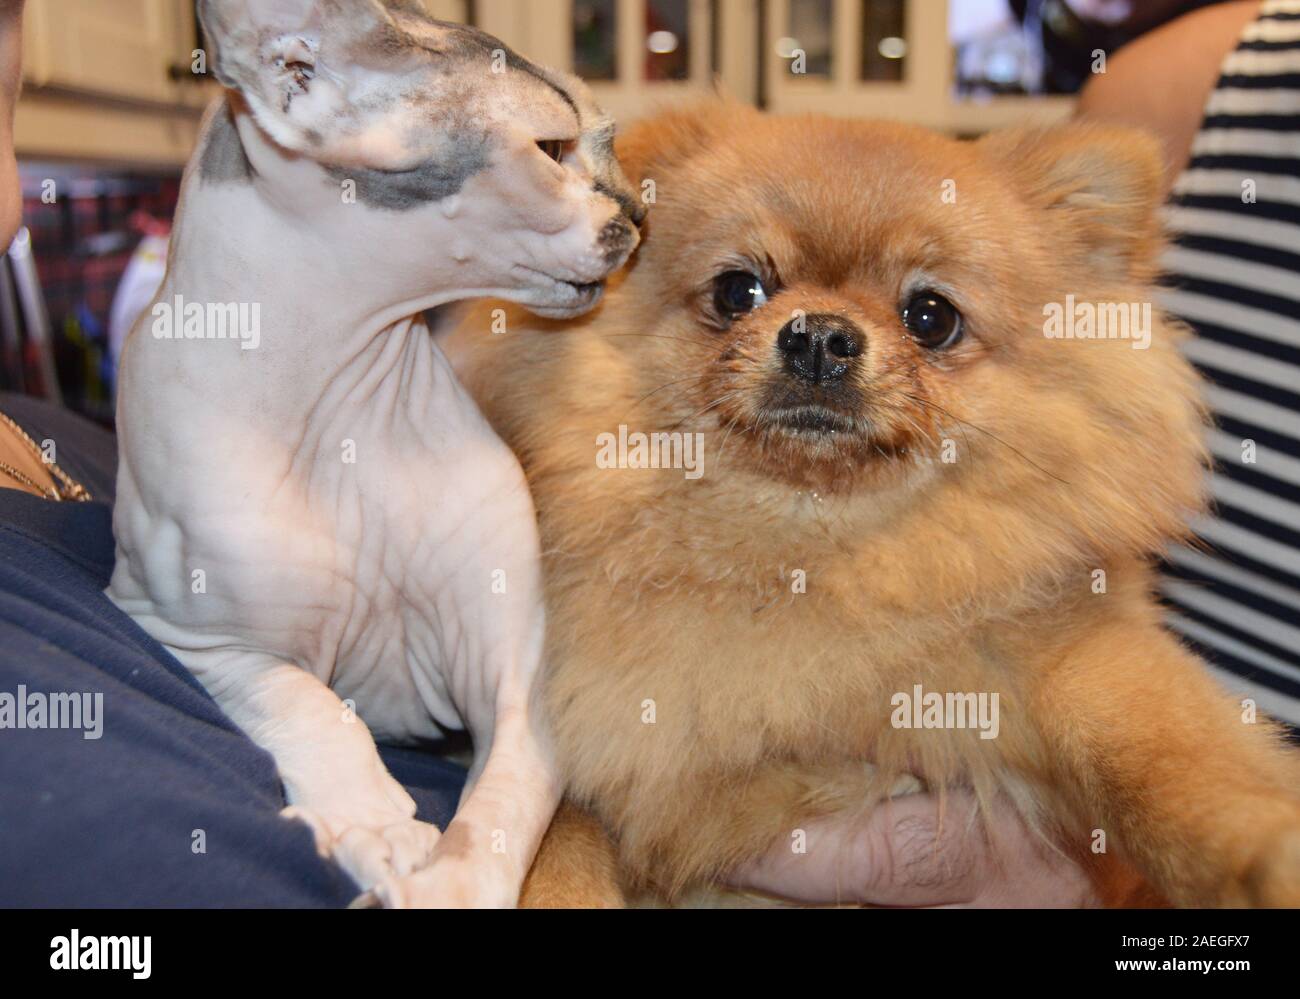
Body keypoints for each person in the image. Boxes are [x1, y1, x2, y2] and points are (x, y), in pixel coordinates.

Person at [736, 0, 1299, 906]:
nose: (820, 342)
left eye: (930, 317)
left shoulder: (1049, 596)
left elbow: (1094, 677)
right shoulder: (1174, 80)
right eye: (740, 289)